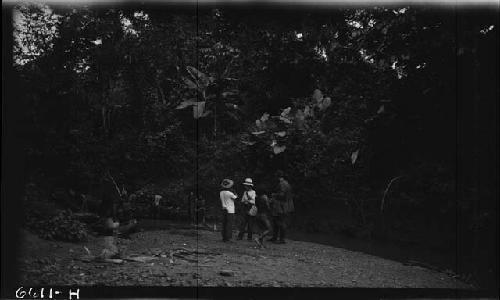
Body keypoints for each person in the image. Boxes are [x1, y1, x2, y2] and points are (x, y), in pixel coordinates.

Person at [269, 171, 294, 244]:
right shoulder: (286, 183)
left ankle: (281, 239)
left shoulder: (282, 184)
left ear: (278, 177)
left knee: (280, 222)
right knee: (276, 221)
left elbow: (282, 195)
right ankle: (275, 237)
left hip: (282, 205)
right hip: (285, 205)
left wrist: (274, 195)